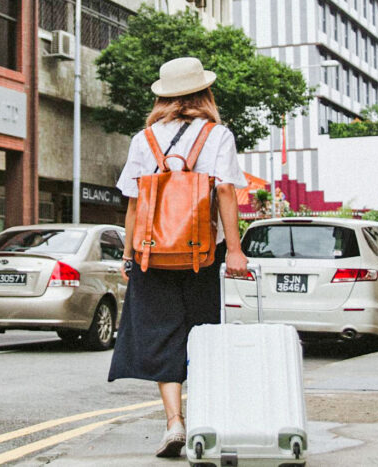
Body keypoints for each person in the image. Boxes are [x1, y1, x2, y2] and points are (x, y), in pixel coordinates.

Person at [108, 57, 249, 458]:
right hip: (200, 254)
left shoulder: (144, 138)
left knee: (159, 333)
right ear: (204, 93)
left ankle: (174, 422)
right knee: (200, 333)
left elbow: (134, 203)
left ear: (164, 96)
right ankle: (202, 417)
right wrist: (235, 250)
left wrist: (129, 255)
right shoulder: (217, 135)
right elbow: (225, 192)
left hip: (152, 253)